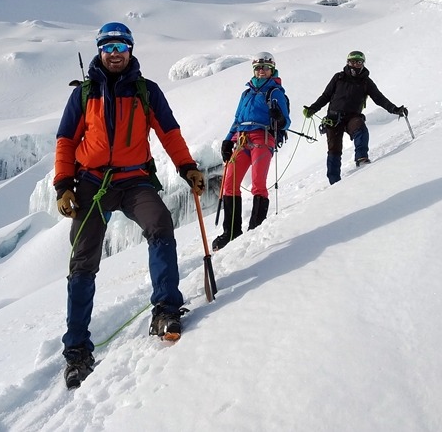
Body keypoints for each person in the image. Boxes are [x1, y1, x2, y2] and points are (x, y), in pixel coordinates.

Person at [54, 21, 205, 388]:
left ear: (132, 50)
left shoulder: (146, 92)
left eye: (121, 45)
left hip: (135, 178)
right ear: (99, 51)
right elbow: (66, 140)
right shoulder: (84, 94)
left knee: (160, 226)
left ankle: (166, 310)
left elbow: (169, 133)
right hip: (92, 183)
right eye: (108, 46)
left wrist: (187, 167)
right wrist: (63, 185)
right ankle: (76, 352)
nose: (115, 52)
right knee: (83, 262)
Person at [213, 51, 290, 251]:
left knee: (258, 183)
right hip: (242, 138)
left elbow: (286, 122)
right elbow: (237, 119)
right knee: (229, 183)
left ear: (272, 70)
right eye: (257, 68)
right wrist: (227, 140)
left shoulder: (276, 92)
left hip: (263, 138)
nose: (261, 71)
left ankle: (255, 228)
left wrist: (279, 118)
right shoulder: (246, 93)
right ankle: (231, 232)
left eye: (265, 68)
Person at [303, 50, 408, 185]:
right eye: (352, 62)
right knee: (334, 150)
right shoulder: (338, 78)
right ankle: (334, 183)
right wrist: (312, 109)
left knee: (361, 130)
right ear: (347, 62)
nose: (355, 65)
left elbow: (379, 98)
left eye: (358, 62)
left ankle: (361, 158)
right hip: (333, 118)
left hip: (353, 117)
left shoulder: (366, 82)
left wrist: (395, 109)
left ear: (363, 64)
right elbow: (326, 96)